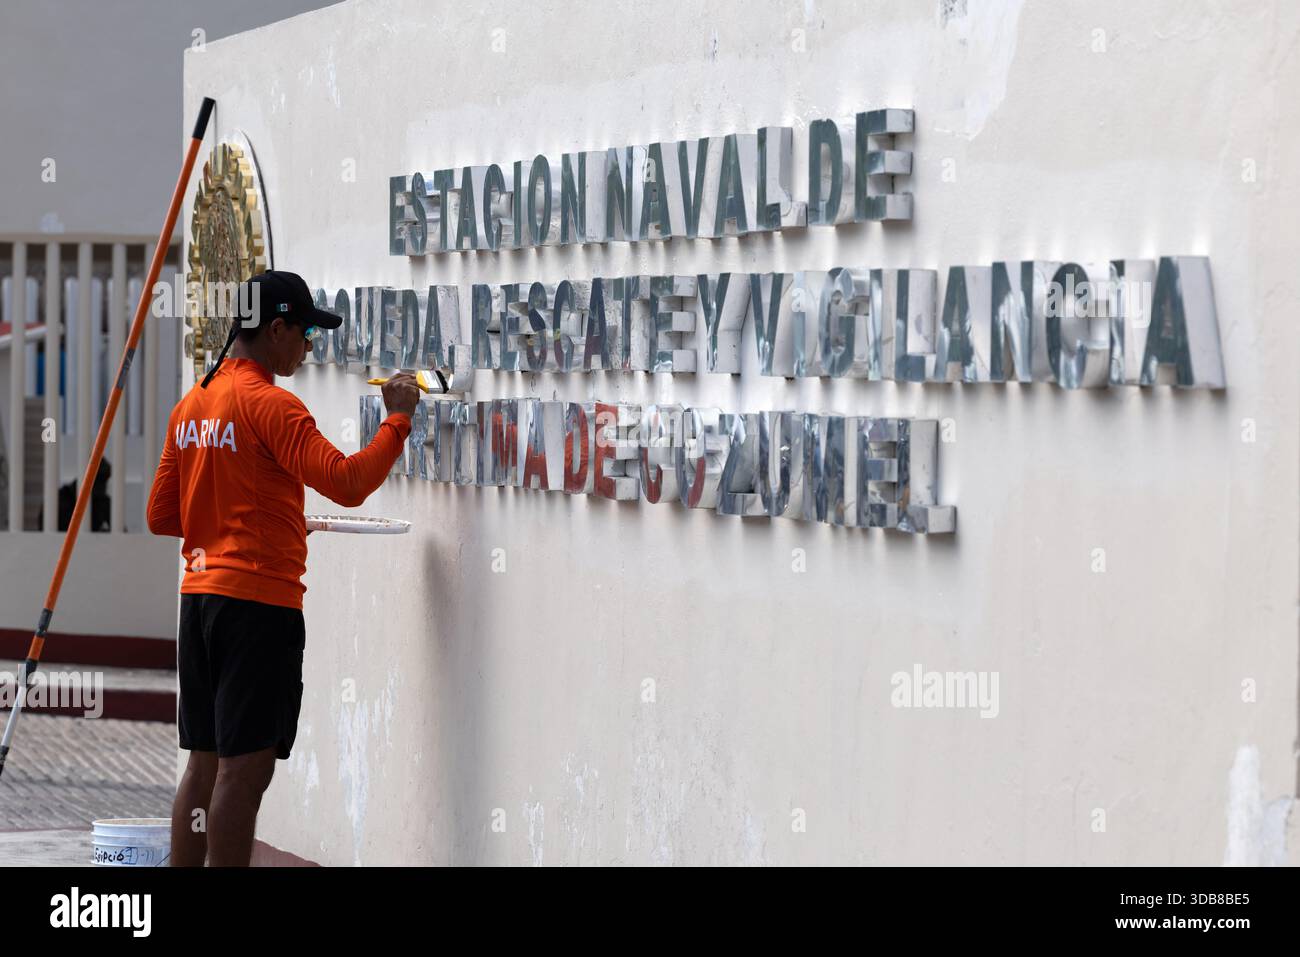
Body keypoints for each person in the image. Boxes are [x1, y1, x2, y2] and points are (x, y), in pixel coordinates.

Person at [146, 270, 419, 866]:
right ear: (276, 329)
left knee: (204, 761)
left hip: (199, 600)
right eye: (304, 333)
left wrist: (239, 516)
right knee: (245, 774)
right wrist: (397, 419)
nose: (308, 346)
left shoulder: (193, 403)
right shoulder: (273, 405)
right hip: (256, 609)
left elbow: (163, 516)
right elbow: (347, 483)